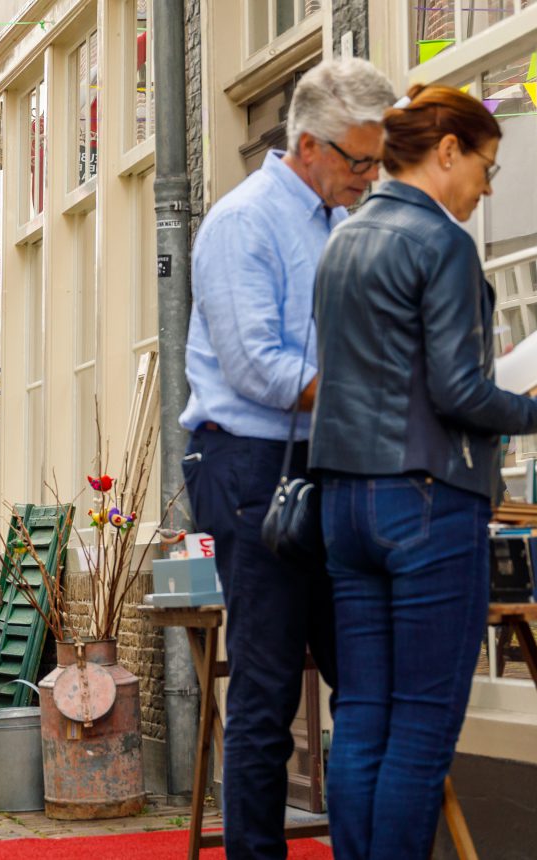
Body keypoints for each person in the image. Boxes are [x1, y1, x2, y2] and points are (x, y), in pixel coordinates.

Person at [308, 84, 537, 860]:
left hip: (343, 503)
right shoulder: (443, 245)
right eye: (486, 167)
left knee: (362, 713)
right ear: (448, 151)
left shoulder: (342, 241)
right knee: (422, 725)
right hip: (426, 501)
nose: (487, 189)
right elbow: (458, 391)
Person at [175, 58, 395, 860]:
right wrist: (372, 392)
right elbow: (255, 366)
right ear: (309, 146)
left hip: (328, 460)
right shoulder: (244, 222)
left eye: (378, 162)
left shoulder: (343, 223)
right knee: (266, 689)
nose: (371, 178)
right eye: (360, 161)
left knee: (363, 676)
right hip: (251, 466)